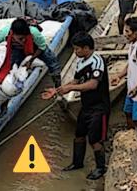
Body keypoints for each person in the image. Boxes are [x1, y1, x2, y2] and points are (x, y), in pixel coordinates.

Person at [50, 32, 110, 180]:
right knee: (79, 135)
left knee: (95, 140)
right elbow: (75, 81)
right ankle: (77, 163)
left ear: (86, 48)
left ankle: (100, 168)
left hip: (99, 106)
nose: (75, 52)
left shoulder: (97, 61)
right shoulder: (81, 62)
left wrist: (70, 89)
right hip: (86, 105)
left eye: (77, 49)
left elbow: (92, 84)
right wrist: (58, 90)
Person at [0, 18, 62, 114]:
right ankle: (4, 103)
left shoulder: (34, 33)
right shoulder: (5, 32)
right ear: (12, 33)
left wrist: (31, 60)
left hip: (36, 48)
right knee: (9, 73)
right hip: (17, 49)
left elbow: (42, 47)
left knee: (53, 64)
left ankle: (59, 89)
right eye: (20, 38)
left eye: (24, 38)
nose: (23, 40)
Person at [111, 18, 137, 145]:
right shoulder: (132, 45)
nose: (125, 34)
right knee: (128, 112)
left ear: (136, 33)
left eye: (127, 31)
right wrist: (119, 76)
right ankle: (132, 137)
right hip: (132, 89)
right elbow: (130, 64)